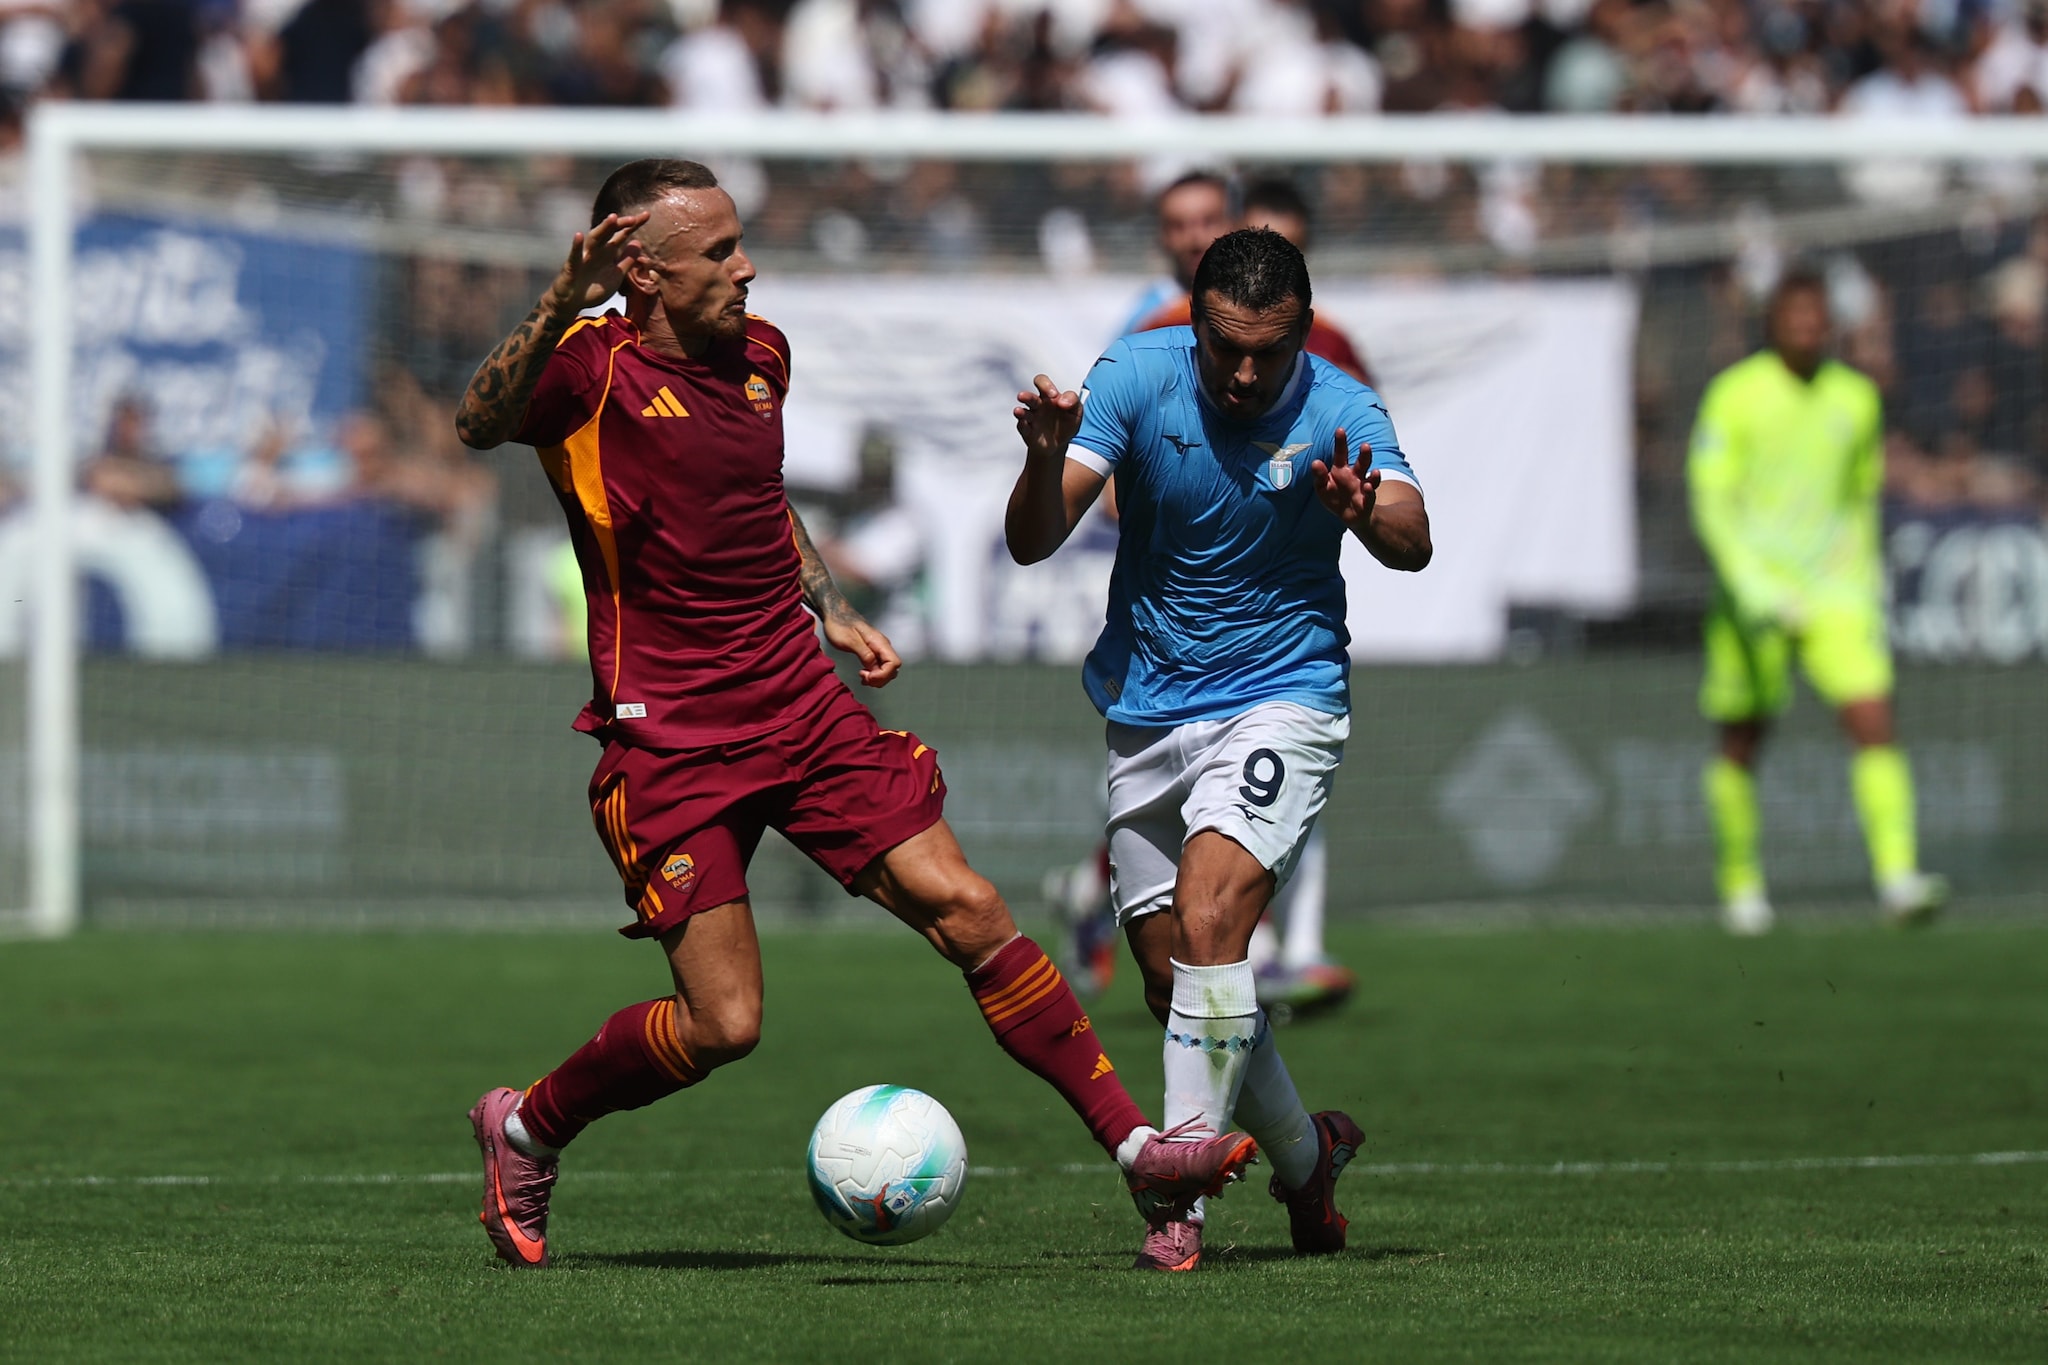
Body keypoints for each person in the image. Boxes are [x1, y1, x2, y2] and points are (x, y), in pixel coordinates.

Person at [450, 158, 1255, 1269]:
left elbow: (754, 499)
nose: (746, 268)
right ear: (641, 266)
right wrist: (559, 297)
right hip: (671, 737)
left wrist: (826, 602)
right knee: (725, 1025)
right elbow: (476, 422)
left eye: (740, 243)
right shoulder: (585, 371)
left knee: (971, 909)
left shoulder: (762, 355)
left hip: (797, 702)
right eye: (720, 251)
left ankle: (1139, 1154)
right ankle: (527, 1127)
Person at [1007, 228, 1433, 1271]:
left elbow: (1414, 537)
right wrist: (1044, 457)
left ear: (1299, 332)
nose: (1246, 373)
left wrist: (1365, 509)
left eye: (1270, 351)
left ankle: (1176, 1194)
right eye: (1226, 348)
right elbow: (1030, 540)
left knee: (1209, 916)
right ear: (1192, 321)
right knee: (1182, 987)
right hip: (1147, 707)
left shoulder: (1336, 405)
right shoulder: (1135, 376)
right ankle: (1306, 1162)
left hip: (1282, 697)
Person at [1052, 174, 1366, 1016]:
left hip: (1279, 640)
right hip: (1168, 615)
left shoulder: (1324, 344)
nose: (1192, 238)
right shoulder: (1149, 338)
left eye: (1206, 222)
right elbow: (1109, 469)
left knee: (1252, 820)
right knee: (1177, 848)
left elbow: (1358, 443)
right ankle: (1110, 890)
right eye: (1176, 226)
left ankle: (1286, 950)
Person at [1688, 268, 1947, 935]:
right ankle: (1741, 886)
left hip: (1835, 594)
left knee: (1872, 720)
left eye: (1816, 314)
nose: (1806, 325)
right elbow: (1712, 498)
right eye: (1794, 313)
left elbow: (1859, 501)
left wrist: (1863, 581)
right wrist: (1750, 582)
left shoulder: (1856, 398)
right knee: (1743, 740)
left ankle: (1897, 878)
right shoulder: (1735, 395)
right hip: (1755, 595)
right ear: (1773, 321)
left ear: (1828, 323)